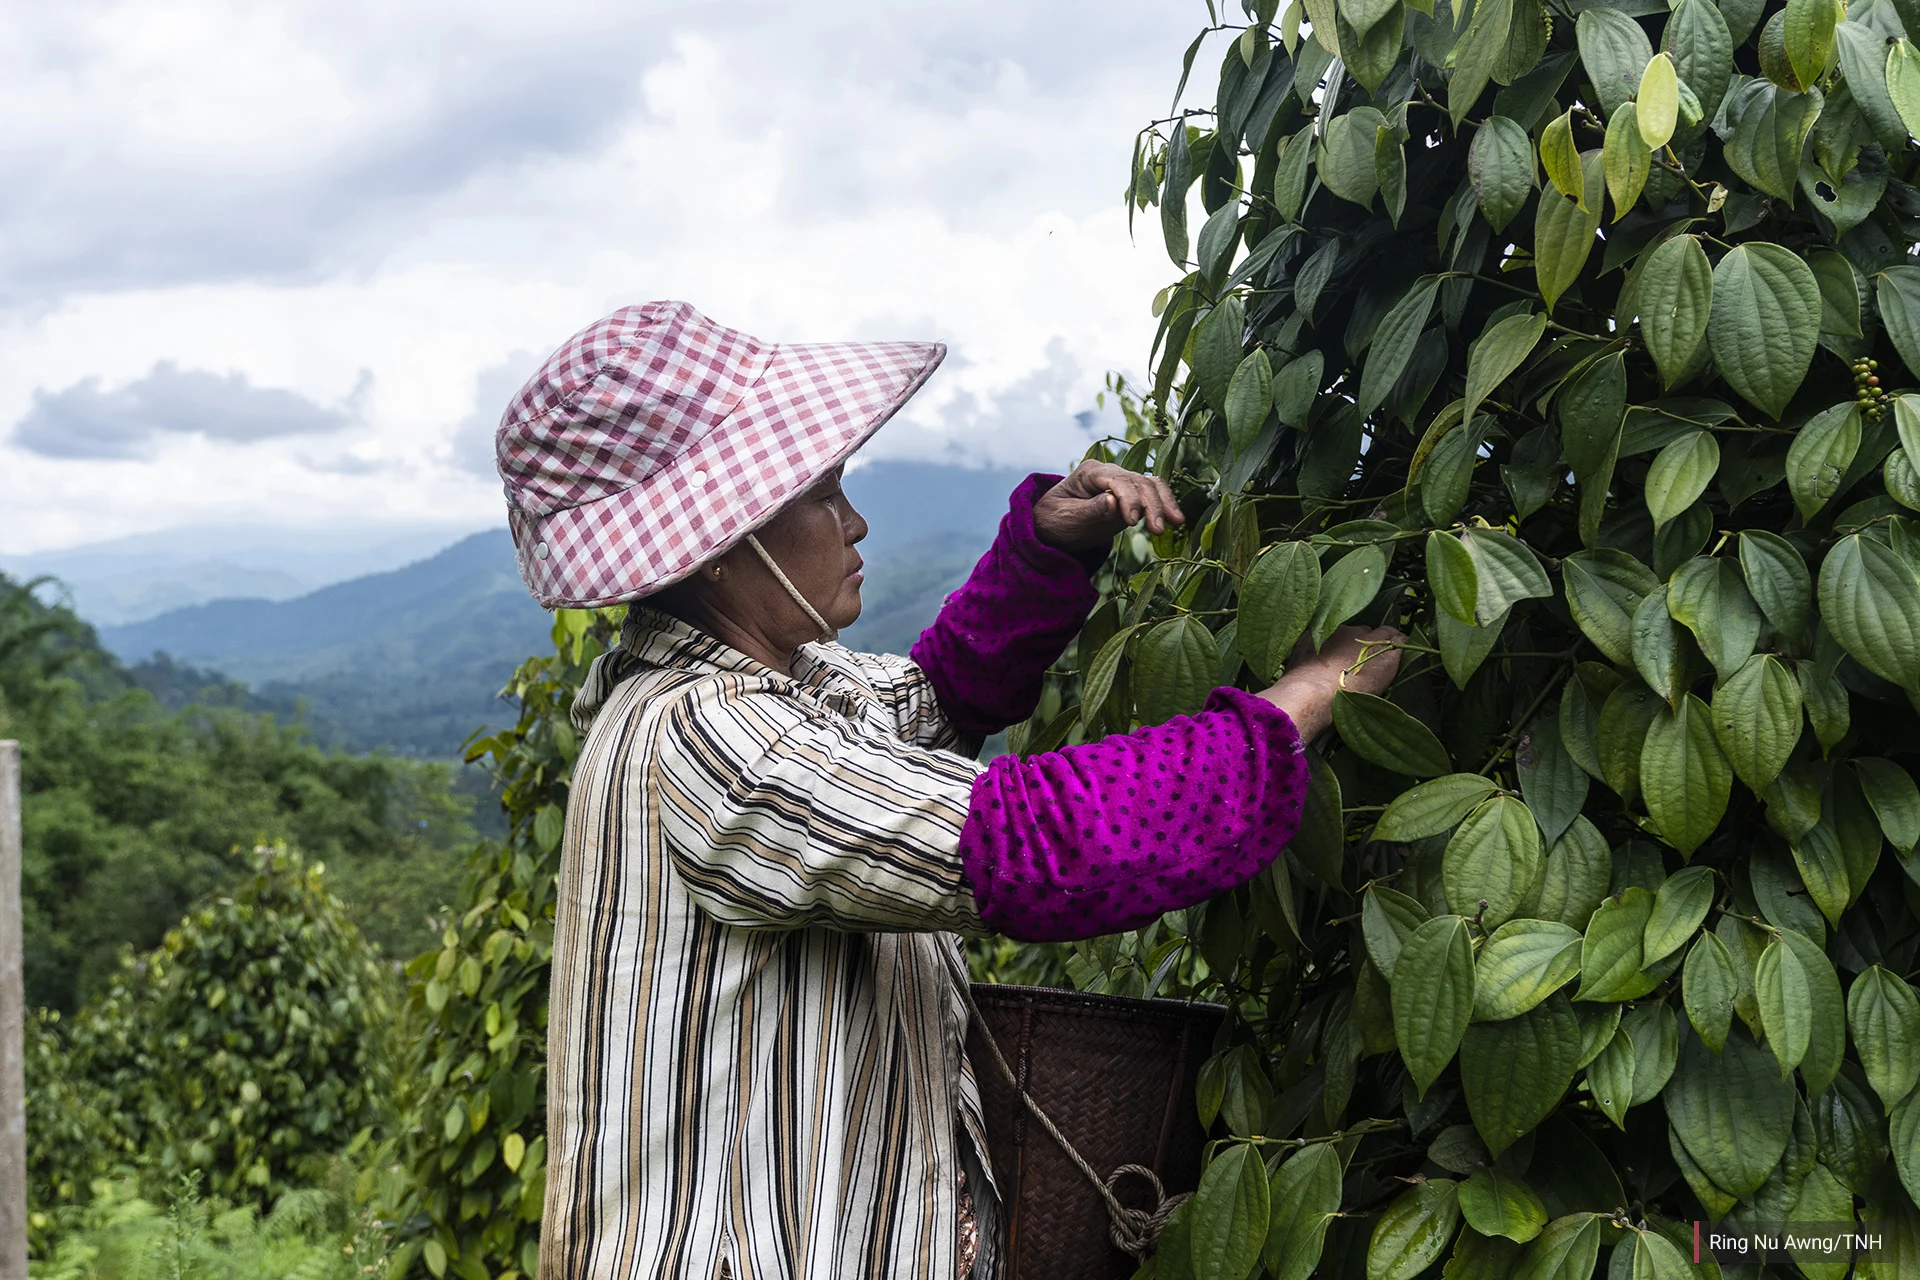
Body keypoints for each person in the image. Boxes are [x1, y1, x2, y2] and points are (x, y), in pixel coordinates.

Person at [496, 301, 1403, 1280]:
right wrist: (1306, 696)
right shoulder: (707, 736)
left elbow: (932, 701)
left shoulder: (789, 687)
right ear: (722, 543)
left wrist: (1048, 550)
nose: (855, 521)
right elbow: (1036, 840)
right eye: (823, 494)